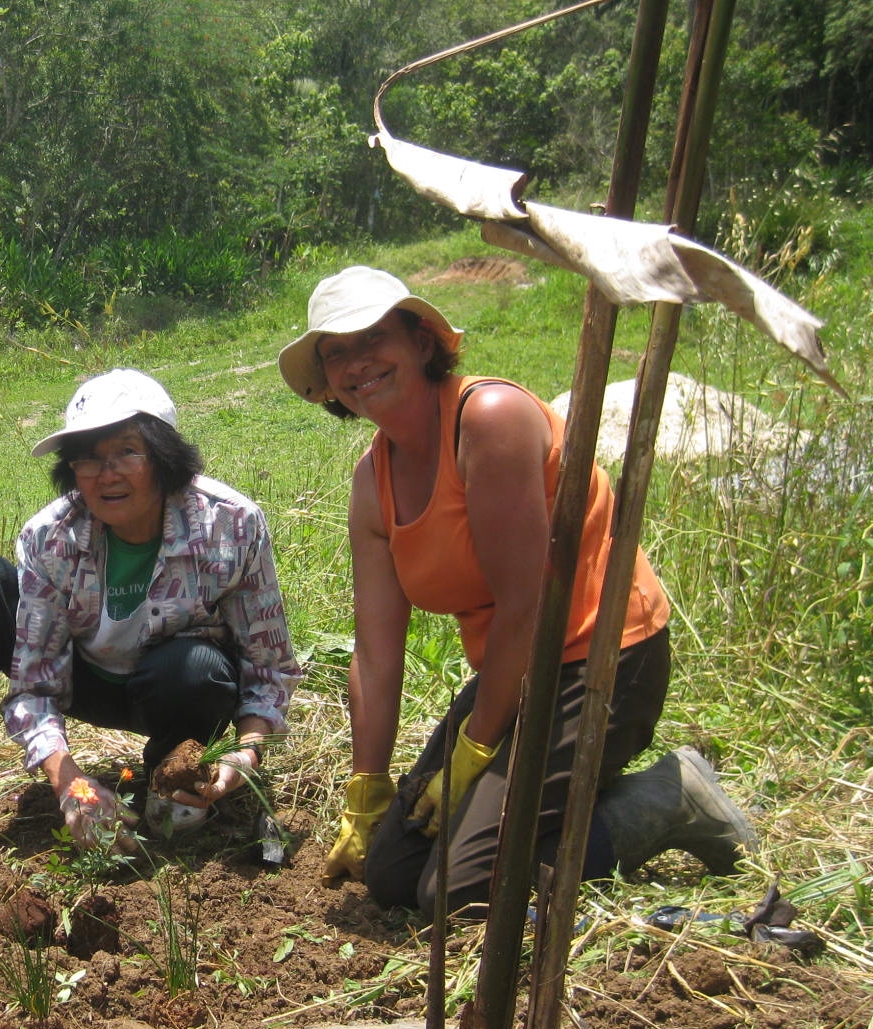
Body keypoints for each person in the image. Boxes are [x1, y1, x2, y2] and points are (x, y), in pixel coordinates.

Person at [279, 266, 757, 916]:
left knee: (457, 891)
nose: (357, 363)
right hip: (515, 671)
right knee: (391, 874)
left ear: (421, 341)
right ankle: (534, 813)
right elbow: (375, 654)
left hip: (602, 659)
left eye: (373, 338)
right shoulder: (373, 479)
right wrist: (367, 788)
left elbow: (526, 604)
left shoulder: (489, 419)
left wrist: (474, 751)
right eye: (336, 353)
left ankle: (668, 801)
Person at [0, 369, 299, 849]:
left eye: (127, 452)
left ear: (164, 457)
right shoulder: (50, 537)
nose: (106, 474)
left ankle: (177, 786)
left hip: (176, 687)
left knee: (193, 667)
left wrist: (246, 754)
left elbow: (268, 667)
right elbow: (34, 686)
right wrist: (70, 784)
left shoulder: (230, 524)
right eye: (88, 458)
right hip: (84, 680)